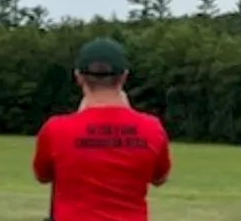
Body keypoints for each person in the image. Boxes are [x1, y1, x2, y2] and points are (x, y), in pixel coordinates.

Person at [32, 37, 172, 221]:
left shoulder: (55, 128)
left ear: (79, 77)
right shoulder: (152, 128)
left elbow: (42, 176)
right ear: (124, 76)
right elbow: (159, 179)